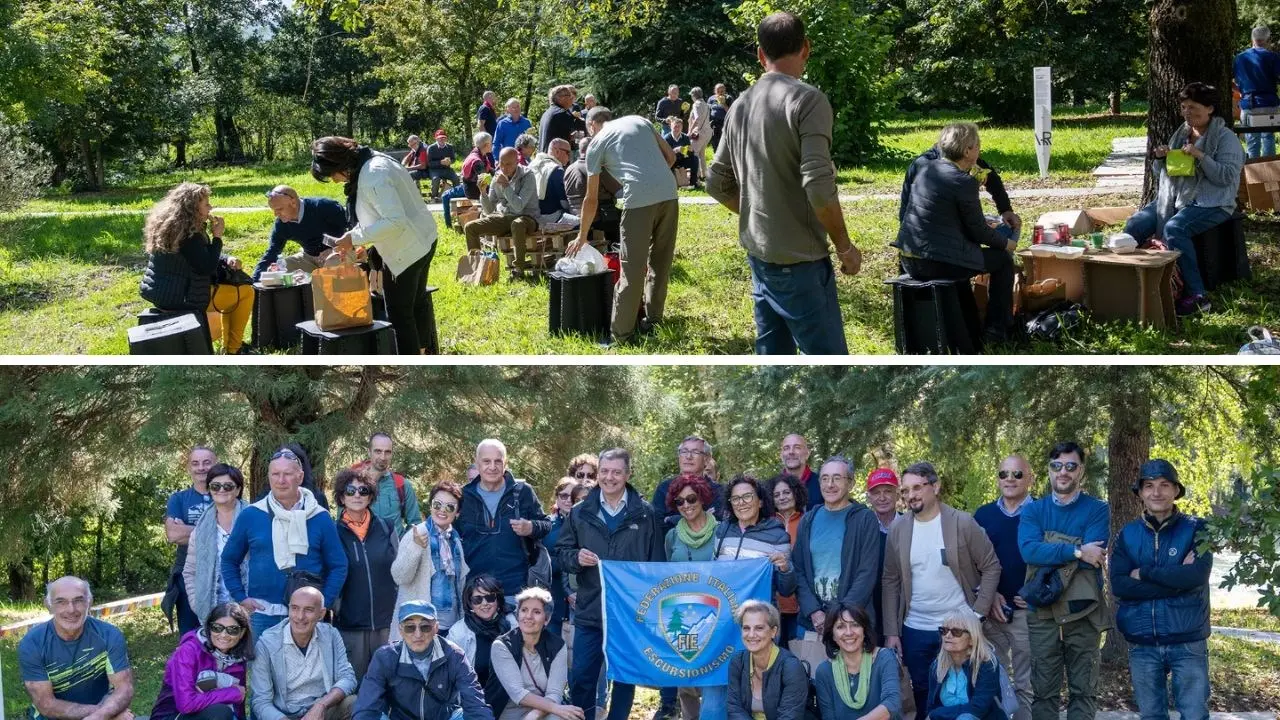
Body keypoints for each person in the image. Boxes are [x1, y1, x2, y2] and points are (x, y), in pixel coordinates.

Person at [706, 12, 862, 355]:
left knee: (773, 363)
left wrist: (758, 213)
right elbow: (819, 185)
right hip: (800, 262)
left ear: (761, 55)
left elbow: (717, 183)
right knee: (831, 372)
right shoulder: (808, 100)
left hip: (759, 254)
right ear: (806, 48)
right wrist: (845, 247)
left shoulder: (740, 105)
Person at [881, 461, 1001, 716]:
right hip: (915, 628)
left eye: (917, 487)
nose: (910, 495)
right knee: (924, 692)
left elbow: (991, 566)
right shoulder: (898, 529)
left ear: (935, 487)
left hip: (958, 629)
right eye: (905, 490)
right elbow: (890, 580)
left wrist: (977, 615)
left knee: (965, 694)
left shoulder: (962, 523)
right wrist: (892, 631)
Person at [555, 447, 665, 720]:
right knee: (581, 677)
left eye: (617, 472)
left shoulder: (646, 513)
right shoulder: (579, 513)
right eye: (604, 471)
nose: (609, 477)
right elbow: (563, 553)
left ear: (628, 474)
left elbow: (657, 566)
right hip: (591, 610)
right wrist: (577, 557)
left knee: (625, 677)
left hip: (629, 613)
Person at [1121, 82, 1245, 316]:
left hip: (1214, 201)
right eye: (1184, 107)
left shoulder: (1225, 138)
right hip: (1176, 197)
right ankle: (1134, 280)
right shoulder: (1181, 133)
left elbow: (1226, 178)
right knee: (1135, 224)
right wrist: (1160, 159)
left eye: (1193, 107)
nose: (1187, 112)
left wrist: (1200, 156)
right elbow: (1164, 175)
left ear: (1209, 108)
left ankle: (1197, 295)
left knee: (1175, 228)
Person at [311, 136, 438, 355]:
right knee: (417, 302)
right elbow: (379, 213)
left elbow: (394, 221)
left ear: (340, 164)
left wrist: (354, 238)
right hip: (422, 238)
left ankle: (412, 363)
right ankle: (424, 353)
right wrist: (359, 238)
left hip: (406, 249)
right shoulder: (374, 160)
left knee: (400, 313)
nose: (334, 181)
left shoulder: (372, 175)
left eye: (332, 174)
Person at [565, 106, 680, 345]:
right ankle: (653, 320)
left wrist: (582, 235)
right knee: (660, 261)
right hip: (669, 193)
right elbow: (671, 157)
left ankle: (621, 335)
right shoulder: (639, 120)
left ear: (591, 125)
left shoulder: (597, 143)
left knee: (632, 269)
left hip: (638, 202)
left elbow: (591, 198)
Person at [895, 122, 1016, 342]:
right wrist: (1006, 244)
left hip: (908, 259)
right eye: (978, 145)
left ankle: (975, 322)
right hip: (936, 263)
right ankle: (996, 330)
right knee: (1003, 261)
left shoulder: (924, 168)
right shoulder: (964, 181)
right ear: (968, 150)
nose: (980, 150)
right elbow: (979, 231)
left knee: (975, 255)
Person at [1110, 459, 1212, 720]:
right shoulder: (1128, 534)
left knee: (1194, 714)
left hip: (1187, 640)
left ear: (1176, 490)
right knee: (1152, 715)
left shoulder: (1196, 529)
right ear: (1140, 493)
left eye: (1165, 485)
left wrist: (1144, 573)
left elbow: (1196, 576)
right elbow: (1121, 585)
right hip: (1142, 641)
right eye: (1149, 486)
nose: (1157, 492)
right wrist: (1177, 583)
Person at [1017, 442, 1110, 720]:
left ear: (1080, 470)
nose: (1063, 472)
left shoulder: (1097, 509)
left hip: (1083, 610)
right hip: (1043, 613)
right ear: (1049, 470)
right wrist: (1077, 550)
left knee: (1084, 691)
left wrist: (1049, 545)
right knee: (1044, 691)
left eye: (1071, 466)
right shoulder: (1034, 510)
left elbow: (1096, 556)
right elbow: (1028, 550)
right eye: (1057, 466)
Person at [220, 447, 349, 640]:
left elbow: (339, 565)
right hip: (263, 614)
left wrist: (324, 602)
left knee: (308, 670)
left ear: (300, 476)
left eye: (287, 474)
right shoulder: (252, 515)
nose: (281, 480)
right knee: (263, 670)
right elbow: (229, 560)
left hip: (307, 614)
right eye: (275, 474)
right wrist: (241, 598)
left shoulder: (319, 517)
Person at [140, 182, 255, 354]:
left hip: (163, 293)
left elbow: (195, 256)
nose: (211, 207)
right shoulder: (190, 234)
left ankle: (230, 346)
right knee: (246, 292)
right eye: (206, 204)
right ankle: (233, 349)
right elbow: (206, 267)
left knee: (235, 291)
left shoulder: (171, 226)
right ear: (193, 208)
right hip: (185, 298)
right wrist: (217, 238)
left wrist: (226, 258)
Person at [18, 577, 135, 720]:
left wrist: (100, 716)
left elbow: (124, 688)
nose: (71, 609)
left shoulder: (109, 635)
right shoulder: (32, 643)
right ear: (49, 606)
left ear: (89, 603)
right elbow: (46, 704)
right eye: (61, 602)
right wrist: (105, 714)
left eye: (79, 600)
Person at [973, 455, 1036, 720]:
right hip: (992, 613)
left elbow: (1055, 561)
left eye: (1017, 474)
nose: (1010, 479)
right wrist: (991, 595)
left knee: (1026, 684)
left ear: (1030, 479)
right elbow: (972, 562)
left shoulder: (1042, 513)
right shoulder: (982, 515)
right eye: (1004, 474)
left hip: (1028, 613)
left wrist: (1035, 594)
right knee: (992, 681)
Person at [354, 601, 493, 720]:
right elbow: (366, 706)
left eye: (425, 627)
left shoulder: (455, 655)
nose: (418, 634)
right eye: (410, 627)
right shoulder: (385, 657)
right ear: (401, 630)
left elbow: (475, 703)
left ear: (436, 628)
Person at [792, 456, 882, 635]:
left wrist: (842, 616)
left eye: (837, 478)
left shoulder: (865, 519)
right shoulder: (808, 520)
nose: (830, 484)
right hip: (813, 622)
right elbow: (798, 569)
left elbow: (867, 572)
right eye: (825, 478)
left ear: (850, 483)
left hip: (852, 620)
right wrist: (814, 612)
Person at [657, 474, 721, 720]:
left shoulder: (721, 532)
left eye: (691, 498)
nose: (686, 505)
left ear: (702, 498)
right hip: (682, 618)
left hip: (716, 616)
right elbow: (667, 575)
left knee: (713, 681)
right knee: (686, 683)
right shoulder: (672, 536)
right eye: (679, 502)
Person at [456, 438, 551, 604]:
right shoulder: (464, 496)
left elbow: (546, 525)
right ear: (477, 464)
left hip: (515, 590)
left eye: (498, 461)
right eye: (486, 461)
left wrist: (531, 527)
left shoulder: (522, 492)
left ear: (505, 463)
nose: (492, 467)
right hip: (477, 592)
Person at [250, 586, 357, 720]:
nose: (300, 616)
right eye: (294, 608)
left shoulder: (331, 635)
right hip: (284, 715)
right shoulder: (267, 644)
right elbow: (261, 702)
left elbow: (348, 677)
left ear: (321, 614)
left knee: (354, 704)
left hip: (322, 712)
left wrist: (321, 705)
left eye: (309, 610)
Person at [332, 468, 399, 683]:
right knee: (356, 686)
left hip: (387, 624)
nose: (357, 495)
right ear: (342, 497)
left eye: (363, 490)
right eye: (350, 490)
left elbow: (400, 571)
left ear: (371, 495)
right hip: (351, 626)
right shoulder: (332, 532)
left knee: (391, 683)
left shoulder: (387, 527)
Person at [486, 587, 583, 720]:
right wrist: (556, 709)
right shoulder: (502, 646)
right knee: (559, 713)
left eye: (536, 612)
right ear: (518, 614)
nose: (528, 616)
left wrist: (535, 714)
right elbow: (518, 694)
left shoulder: (558, 646)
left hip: (542, 711)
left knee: (559, 718)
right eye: (524, 610)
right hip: (507, 712)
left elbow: (554, 693)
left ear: (547, 620)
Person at [150, 601, 254, 720]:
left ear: (242, 633)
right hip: (172, 715)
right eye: (217, 628)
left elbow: (238, 706)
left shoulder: (238, 657)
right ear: (209, 627)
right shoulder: (187, 651)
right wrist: (232, 693)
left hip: (211, 711)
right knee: (220, 712)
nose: (224, 635)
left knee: (223, 712)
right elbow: (186, 704)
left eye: (233, 629)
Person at [391, 481, 468, 639]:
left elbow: (459, 585)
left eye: (450, 507)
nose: (442, 511)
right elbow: (399, 576)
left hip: (452, 627)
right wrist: (416, 548)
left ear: (458, 512)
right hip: (420, 629)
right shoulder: (417, 533)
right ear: (430, 505)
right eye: (437, 504)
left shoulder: (455, 540)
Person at [899, 143, 1020, 241]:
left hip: (941, 231)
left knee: (1011, 223)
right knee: (1002, 257)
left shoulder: (960, 160)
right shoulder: (938, 170)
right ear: (965, 151)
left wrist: (1005, 209)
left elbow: (993, 180)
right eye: (976, 149)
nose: (977, 158)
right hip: (935, 237)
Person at [184, 463, 249, 631]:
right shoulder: (201, 528)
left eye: (228, 486)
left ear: (238, 489)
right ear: (209, 489)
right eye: (215, 486)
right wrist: (197, 602)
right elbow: (190, 571)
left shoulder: (254, 519)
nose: (221, 490)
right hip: (212, 611)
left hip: (250, 608)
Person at [813, 602, 901, 720]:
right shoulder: (824, 671)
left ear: (864, 630)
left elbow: (892, 703)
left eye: (855, 625)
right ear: (832, 635)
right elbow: (829, 717)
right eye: (840, 627)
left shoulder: (884, 658)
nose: (849, 632)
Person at [724, 599, 809, 720]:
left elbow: (790, 716)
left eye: (759, 628)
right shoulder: (737, 662)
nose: (751, 634)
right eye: (746, 628)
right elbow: (734, 708)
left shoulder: (791, 667)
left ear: (773, 631)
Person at [463, 147, 541, 274]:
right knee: (470, 228)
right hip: (506, 216)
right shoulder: (497, 177)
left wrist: (506, 186)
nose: (504, 168)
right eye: (501, 163)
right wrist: (483, 193)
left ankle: (518, 269)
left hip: (528, 217)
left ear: (517, 162)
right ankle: (476, 268)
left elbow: (519, 206)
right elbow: (489, 210)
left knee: (517, 224)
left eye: (508, 164)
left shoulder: (528, 176)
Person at [167, 446, 217, 634]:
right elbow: (173, 535)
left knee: (221, 631)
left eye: (206, 462)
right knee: (190, 635)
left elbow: (233, 535)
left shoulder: (226, 494)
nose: (201, 468)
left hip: (220, 574)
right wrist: (216, 531)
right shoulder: (178, 499)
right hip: (188, 574)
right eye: (195, 463)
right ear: (189, 467)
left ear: (215, 465)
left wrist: (187, 530)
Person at [925, 613, 1006, 720]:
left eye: (956, 632)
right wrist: (934, 714)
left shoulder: (987, 664)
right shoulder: (938, 665)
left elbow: (977, 709)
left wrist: (937, 713)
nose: (948, 636)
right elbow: (931, 705)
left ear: (972, 639)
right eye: (944, 631)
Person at [253, 186, 346, 279]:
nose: (275, 214)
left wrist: (334, 249)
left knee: (334, 264)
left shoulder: (324, 207)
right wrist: (255, 281)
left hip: (340, 252)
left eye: (279, 209)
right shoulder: (281, 224)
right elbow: (272, 252)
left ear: (293, 202)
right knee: (279, 269)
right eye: (273, 210)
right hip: (309, 257)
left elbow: (352, 230)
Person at [446, 574, 513, 688]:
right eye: (477, 599)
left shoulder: (513, 624)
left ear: (498, 600)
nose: (484, 603)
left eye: (490, 598)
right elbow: (451, 675)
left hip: (512, 697)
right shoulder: (458, 633)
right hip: (476, 699)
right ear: (470, 603)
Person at [350, 432, 421, 537]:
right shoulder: (352, 483)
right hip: (362, 551)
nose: (383, 457)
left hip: (395, 551)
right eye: (378, 451)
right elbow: (342, 522)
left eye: (387, 452)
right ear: (369, 452)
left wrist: (405, 547)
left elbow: (415, 524)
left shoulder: (402, 485)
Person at [651, 436, 726, 529]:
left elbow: (718, 524)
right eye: (684, 452)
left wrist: (672, 519)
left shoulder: (720, 492)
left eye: (695, 452)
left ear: (706, 459)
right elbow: (656, 524)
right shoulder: (664, 489)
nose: (688, 456)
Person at [767, 473, 807, 641]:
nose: (782, 497)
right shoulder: (765, 524)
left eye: (786, 492)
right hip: (772, 603)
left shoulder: (807, 521)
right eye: (776, 495)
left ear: (796, 493)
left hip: (801, 604)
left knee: (800, 656)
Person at [564, 136, 622, 248]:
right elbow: (619, 192)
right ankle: (615, 255)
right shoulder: (596, 167)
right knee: (621, 220)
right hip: (598, 217)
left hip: (575, 215)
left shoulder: (569, 169)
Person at [864, 467, 900, 639]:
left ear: (897, 494)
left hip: (901, 607)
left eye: (888, 491)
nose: (882, 497)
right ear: (869, 497)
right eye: (876, 492)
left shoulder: (910, 525)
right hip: (870, 606)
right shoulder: (862, 528)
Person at [1234, 26, 1280, 158]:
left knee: (1252, 141)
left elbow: (1230, 81)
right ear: (1268, 40)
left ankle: (1253, 175)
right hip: (1269, 104)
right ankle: (1269, 174)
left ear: (1252, 39)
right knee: (1268, 138)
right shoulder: (1273, 57)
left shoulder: (1239, 58)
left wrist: (1242, 91)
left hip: (1249, 104)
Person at [443, 132, 495, 230]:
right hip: (473, 190)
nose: (492, 144)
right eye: (491, 143)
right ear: (486, 145)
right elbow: (484, 179)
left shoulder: (479, 155)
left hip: (473, 187)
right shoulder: (477, 161)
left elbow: (490, 170)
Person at [546, 477, 578, 637]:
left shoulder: (589, 525)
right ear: (556, 498)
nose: (567, 500)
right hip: (553, 599)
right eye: (563, 495)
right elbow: (540, 562)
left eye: (572, 496)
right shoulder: (547, 526)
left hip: (581, 600)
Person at [530, 138, 580, 225]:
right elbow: (564, 203)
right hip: (549, 217)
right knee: (583, 223)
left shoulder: (531, 165)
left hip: (530, 217)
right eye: (568, 153)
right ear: (557, 152)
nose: (569, 156)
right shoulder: (556, 170)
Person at [540, 84, 588, 152]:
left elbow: (557, 134)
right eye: (569, 95)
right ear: (560, 98)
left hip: (546, 154)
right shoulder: (561, 113)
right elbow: (581, 126)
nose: (572, 98)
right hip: (555, 157)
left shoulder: (547, 113)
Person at [779, 434, 821, 510]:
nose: (791, 452)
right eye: (786, 448)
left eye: (797, 447)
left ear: (807, 454)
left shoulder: (822, 485)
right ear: (781, 455)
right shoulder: (771, 488)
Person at [663, 119, 702, 190]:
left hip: (682, 159)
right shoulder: (666, 138)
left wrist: (690, 150)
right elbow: (664, 154)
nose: (677, 128)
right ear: (671, 127)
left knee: (695, 158)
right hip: (671, 161)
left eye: (679, 127)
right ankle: (670, 182)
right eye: (675, 126)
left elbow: (690, 153)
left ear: (682, 127)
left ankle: (693, 182)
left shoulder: (685, 137)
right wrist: (675, 150)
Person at [686, 88, 712, 185]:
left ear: (694, 95)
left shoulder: (696, 104)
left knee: (694, 154)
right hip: (707, 132)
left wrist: (689, 131)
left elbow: (696, 118)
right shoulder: (706, 104)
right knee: (702, 154)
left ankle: (695, 177)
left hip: (699, 133)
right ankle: (704, 175)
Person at [426, 130, 461, 201]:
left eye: (443, 138)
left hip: (447, 169)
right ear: (436, 138)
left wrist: (450, 161)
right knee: (436, 179)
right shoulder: (431, 148)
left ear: (446, 138)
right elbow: (429, 163)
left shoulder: (450, 147)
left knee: (456, 178)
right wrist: (440, 162)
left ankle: (457, 196)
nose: (442, 139)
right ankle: (434, 197)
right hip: (435, 169)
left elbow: (453, 159)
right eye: (440, 138)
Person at [708, 84, 732, 152]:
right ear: (715, 91)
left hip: (724, 122)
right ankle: (715, 155)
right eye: (718, 91)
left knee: (724, 140)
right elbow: (708, 110)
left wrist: (724, 104)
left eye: (722, 91)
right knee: (714, 141)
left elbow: (731, 112)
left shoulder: (728, 98)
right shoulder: (711, 99)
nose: (720, 92)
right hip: (714, 123)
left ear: (725, 90)